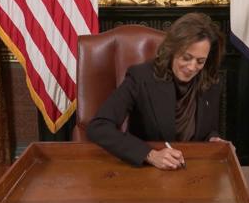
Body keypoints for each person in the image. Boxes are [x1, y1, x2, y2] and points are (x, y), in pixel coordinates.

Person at [86, 13, 227, 170]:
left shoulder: (209, 82)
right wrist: (150, 154)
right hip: (149, 171)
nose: (192, 67)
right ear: (173, 50)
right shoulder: (141, 78)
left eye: (200, 61)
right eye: (186, 57)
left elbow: (207, 130)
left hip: (193, 169)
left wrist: (214, 140)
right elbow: (99, 127)